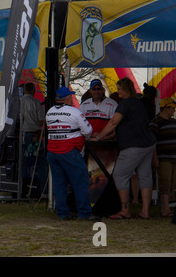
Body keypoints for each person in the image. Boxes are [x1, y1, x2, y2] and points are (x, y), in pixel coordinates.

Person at [92, 77, 156, 219]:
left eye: (119, 89)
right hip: (148, 144)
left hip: (133, 146)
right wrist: (110, 135)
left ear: (125, 90)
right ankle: (145, 211)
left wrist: (99, 136)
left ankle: (125, 210)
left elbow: (114, 122)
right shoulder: (139, 103)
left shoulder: (125, 104)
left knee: (120, 174)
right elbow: (130, 124)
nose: (117, 91)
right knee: (145, 176)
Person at [45, 86, 95, 220]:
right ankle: (84, 214)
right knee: (80, 182)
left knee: (59, 184)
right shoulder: (74, 112)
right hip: (70, 152)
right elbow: (88, 131)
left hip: (53, 152)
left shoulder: (49, 112)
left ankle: (62, 213)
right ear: (67, 99)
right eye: (71, 97)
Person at [149, 97, 176, 218]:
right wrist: (154, 158)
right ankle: (165, 209)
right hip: (163, 157)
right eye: (172, 108)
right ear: (166, 108)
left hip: (174, 157)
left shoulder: (174, 122)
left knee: (173, 183)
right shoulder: (155, 122)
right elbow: (152, 142)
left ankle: (168, 206)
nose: (174, 111)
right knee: (165, 182)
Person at [20, 82, 46, 197]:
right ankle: (43, 191)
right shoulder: (36, 103)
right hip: (35, 135)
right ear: (33, 91)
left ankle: (22, 190)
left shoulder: (18, 103)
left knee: (23, 163)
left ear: (24, 91)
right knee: (41, 163)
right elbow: (41, 121)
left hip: (21, 135)